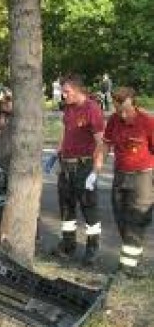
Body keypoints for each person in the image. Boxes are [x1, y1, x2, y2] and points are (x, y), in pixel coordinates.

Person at [53, 74, 105, 265]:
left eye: (66, 91)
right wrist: (58, 151)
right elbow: (66, 131)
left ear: (77, 90)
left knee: (89, 209)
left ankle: (92, 249)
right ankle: (68, 246)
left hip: (84, 167)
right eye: (63, 91)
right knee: (67, 209)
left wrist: (95, 171)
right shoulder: (68, 108)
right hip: (66, 166)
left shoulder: (92, 109)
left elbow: (101, 142)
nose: (63, 95)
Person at [102, 87, 154, 277]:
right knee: (121, 217)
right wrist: (96, 168)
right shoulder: (114, 121)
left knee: (136, 221)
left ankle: (127, 269)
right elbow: (106, 143)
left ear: (134, 104)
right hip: (120, 175)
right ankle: (133, 261)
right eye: (118, 110)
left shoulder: (147, 122)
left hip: (143, 177)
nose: (122, 114)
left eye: (126, 110)